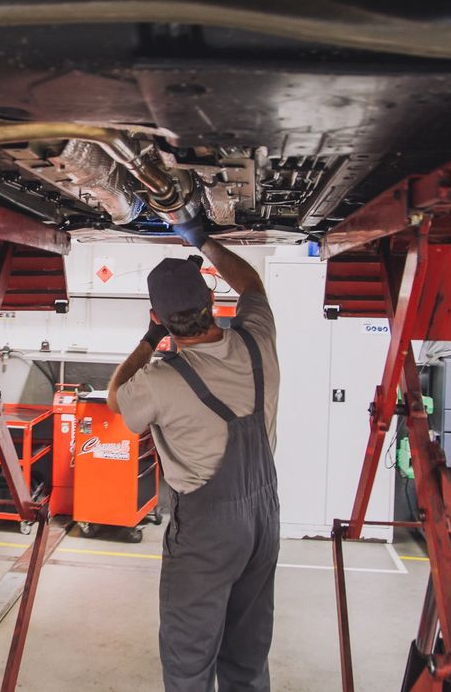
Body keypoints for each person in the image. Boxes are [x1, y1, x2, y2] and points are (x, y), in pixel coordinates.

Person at [107, 215, 280, 692]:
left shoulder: (160, 381)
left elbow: (114, 396)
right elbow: (251, 284)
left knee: (189, 659)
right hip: (265, 517)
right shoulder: (257, 340)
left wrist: (148, 340)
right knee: (247, 654)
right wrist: (203, 241)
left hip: (207, 533)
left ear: (159, 317)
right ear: (210, 299)